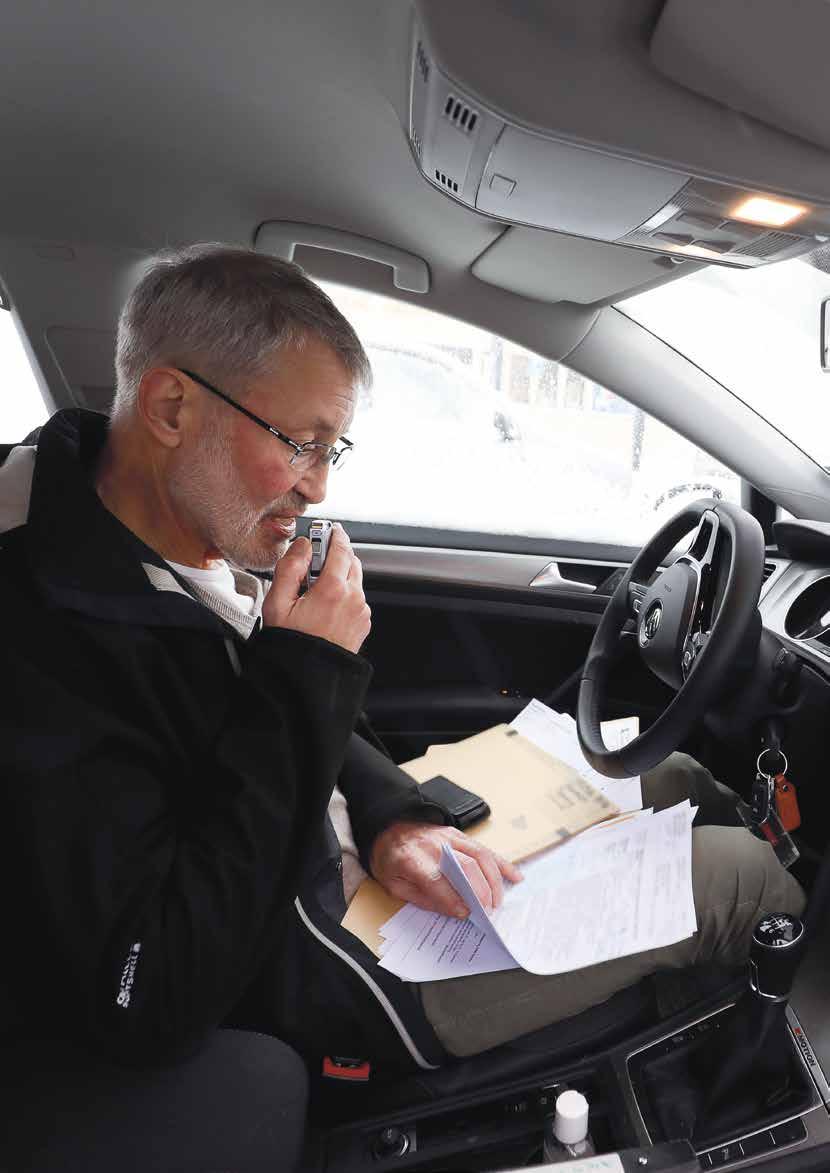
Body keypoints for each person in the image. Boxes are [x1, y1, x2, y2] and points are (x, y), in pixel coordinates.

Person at [0, 244, 804, 1083]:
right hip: (335, 959)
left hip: (361, 861)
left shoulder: (175, 529)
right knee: (738, 879)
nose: (316, 488)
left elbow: (279, 732)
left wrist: (394, 814)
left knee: (671, 771)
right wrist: (303, 669)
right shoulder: (41, 644)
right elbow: (152, 988)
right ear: (171, 408)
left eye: (330, 451)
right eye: (302, 443)